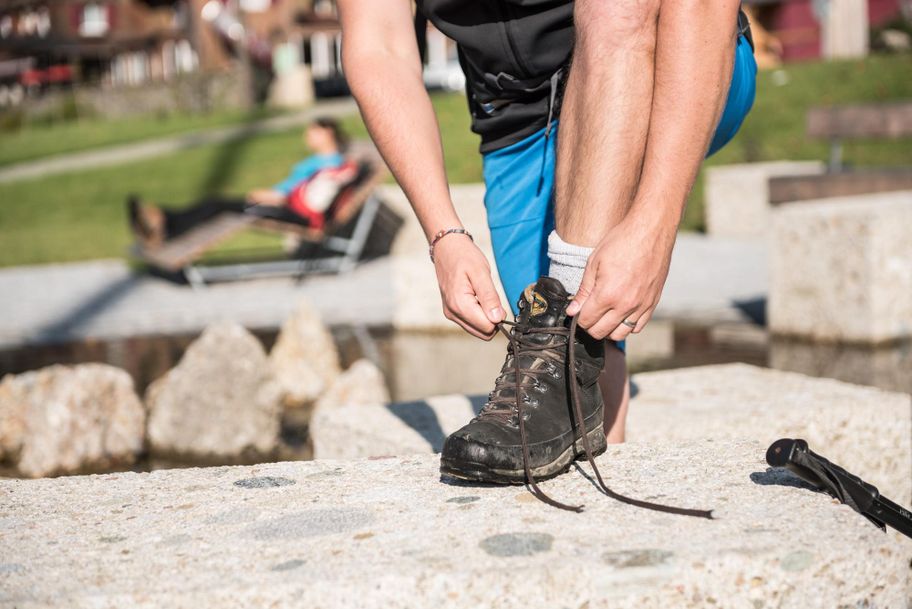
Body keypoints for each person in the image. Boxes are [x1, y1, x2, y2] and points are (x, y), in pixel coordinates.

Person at [339, 0, 756, 510]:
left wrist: (655, 222)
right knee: (571, 383)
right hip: (520, 113)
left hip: (679, 55)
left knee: (615, 9)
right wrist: (443, 234)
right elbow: (378, 44)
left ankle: (564, 342)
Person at [129, 117, 351, 248]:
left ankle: (166, 226)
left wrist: (270, 197)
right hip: (280, 204)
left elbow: (306, 194)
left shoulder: (330, 163)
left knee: (217, 206)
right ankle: (165, 220)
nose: (307, 136)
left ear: (327, 132)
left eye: (312, 132)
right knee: (215, 205)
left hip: (289, 211)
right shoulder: (320, 160)